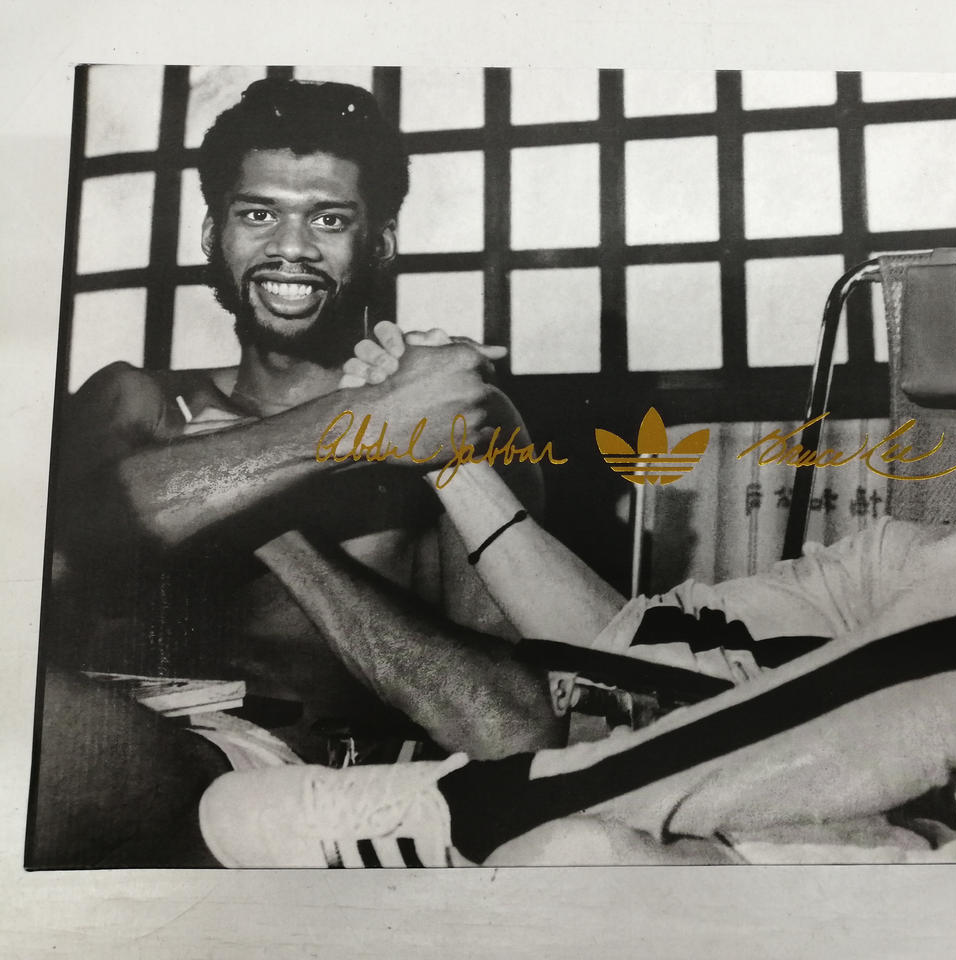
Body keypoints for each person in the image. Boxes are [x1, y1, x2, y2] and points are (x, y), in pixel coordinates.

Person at [197, 177, 956, 866]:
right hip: (918, 879)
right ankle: (514, 817)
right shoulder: (895, 559)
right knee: (575, 859)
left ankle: (481, 803)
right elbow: (620, 644)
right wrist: (455, 466)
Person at [29, 79, 562, 867]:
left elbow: (516, 727)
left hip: (277, 785)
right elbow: (77, 536)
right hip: (109, 745)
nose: (291, 247)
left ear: (380, 242)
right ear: (212, 233)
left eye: (329, 219)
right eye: (257, 214)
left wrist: (273, 527)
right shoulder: (135, 402)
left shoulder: (453, 423)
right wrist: (363, 422)